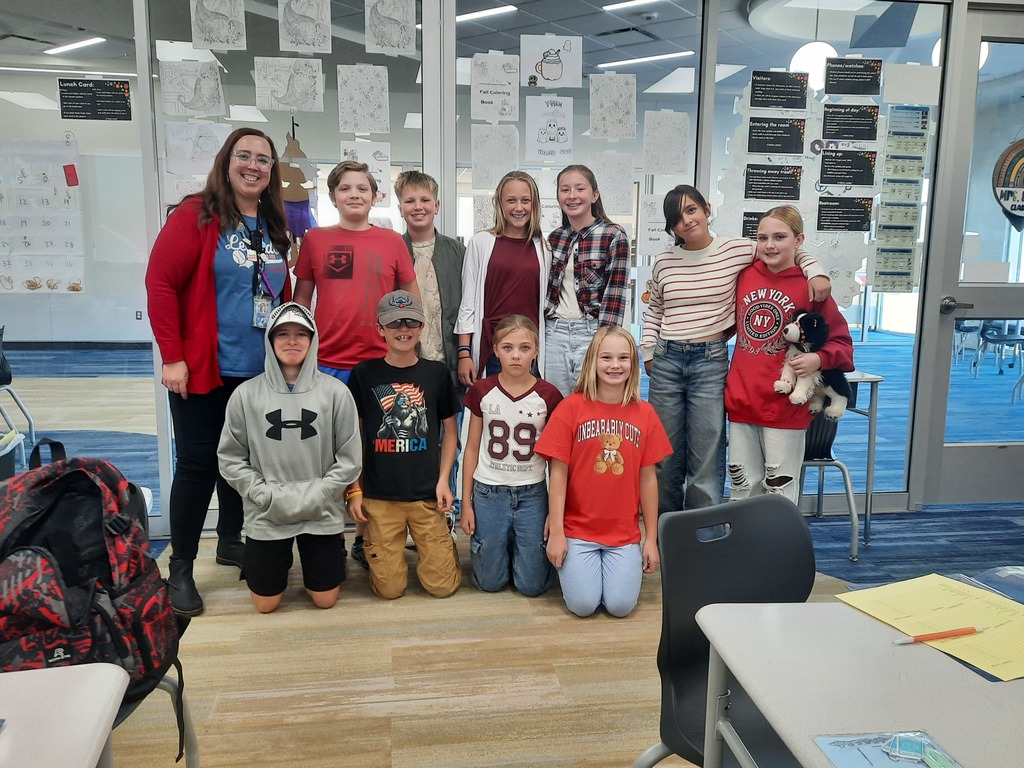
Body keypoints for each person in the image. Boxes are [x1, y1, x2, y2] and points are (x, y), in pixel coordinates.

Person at [146, 127, 292, 617]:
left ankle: (231, 541)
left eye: (263, 160)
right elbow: (161, 283)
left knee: (243, 462)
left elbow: (279, 297)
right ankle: (180, 568)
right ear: (227, 161)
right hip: (205, 367)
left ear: (272, 172)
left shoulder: (272, 224)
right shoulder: (197, 214)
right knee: (197, 466)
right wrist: (172, 355)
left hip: (258, 372)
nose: (254, 166)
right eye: (244, 156)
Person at [640, 184, 831, 515]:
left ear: (707, 209)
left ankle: (702, 531)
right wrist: (647, 353)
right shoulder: (664, 262)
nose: (686, 221)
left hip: (709, 359)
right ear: (671, 226)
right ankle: (664, 531)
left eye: (691, 210)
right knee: (663, 453)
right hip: (666, 359)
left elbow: (789, 246)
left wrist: (815, 271)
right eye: (677, 217)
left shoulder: (738, 251)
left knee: (707, 453)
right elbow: (654, 309)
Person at [293, 159, 418, 569]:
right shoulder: (315, 239)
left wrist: (408, 356)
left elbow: (411, 305)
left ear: (375, 195)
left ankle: (365, 539)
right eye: (345, 188)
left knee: (371, 453)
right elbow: (299, 305)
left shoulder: (393, 243)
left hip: (379, 366)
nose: (354, 195)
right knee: (326, 454)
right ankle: (323, 536)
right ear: (333, 197)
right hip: (327, 362)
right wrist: (295, 360)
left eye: (362, 188)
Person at [218, 302, 362, 612]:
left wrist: (323, 492)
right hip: (267, 512)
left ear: (313, 341)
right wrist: (262, 493)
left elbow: (350, 457)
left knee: (325, 601)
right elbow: (230, 458)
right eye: (282, 333)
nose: (292, 341)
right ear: (270, 340)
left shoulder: (336, 393)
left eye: (301, 334)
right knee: (265, 604)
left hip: (320, 511)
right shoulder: (246, 394)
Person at [535, 327, 671, 618]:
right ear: (592, 362)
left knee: (620, 607)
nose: (615, 365)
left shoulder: (645, 413)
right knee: (583, 606)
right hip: (577, 531)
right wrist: (557, 532)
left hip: (623, 535)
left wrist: (650, 539)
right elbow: (557, 475)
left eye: (623, 358)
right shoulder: (571, 408)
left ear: (633, 364)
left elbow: (648, 479)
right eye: (606, 357)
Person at [725, 206, 854, 504]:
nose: (770, 245)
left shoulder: (812, 287)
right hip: (743, 400)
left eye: (779, 237)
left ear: (798, 240)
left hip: (785, 407)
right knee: (742, 489)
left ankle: (777, 551)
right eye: (763, 237)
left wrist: (818, 360)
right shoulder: (743, 276)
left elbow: (842, 344)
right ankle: (740, 550)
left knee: (779, 491)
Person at [346, 290, 462, 599]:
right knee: (390, 590)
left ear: (422, 327)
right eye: (395, 323)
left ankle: (437, 547)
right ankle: (375, 548)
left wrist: (444, 482)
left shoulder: (436, 373)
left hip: (426, 494)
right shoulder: (363, 374)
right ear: (380, 329)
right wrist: (355, 490)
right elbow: (353, 437)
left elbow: (450, 431)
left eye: (411, 322)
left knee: (442, 587)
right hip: (380, 496)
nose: (403, 329)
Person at [460, 315, 562, 595]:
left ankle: (521, 550)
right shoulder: (483, 390)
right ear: (495, 350)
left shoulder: (549, 395)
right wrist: (466, 503)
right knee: (489, 583)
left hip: (532, 493)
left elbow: (556, 460)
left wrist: (554, 514)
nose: (516, 356)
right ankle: (501, 548)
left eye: (524, 348)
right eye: (507, 348)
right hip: (488, 492)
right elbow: (471, 448)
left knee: (532, 586)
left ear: (537, 351)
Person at [395, 170, 466, 510]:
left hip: (449, 367)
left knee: (449, 444)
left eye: (425, 200)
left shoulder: (457, 251)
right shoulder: (393, 249)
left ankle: (445, 517)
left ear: (437, 204)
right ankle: (413, 515)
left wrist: (465, 354)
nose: (418, 206)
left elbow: (467, 308)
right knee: (411, 443)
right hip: (409, 366)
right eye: (410, 201)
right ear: (400, 207)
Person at [456, 171, 548, 388]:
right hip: (492, 350)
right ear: (499, 204)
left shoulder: (545, 249)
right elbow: (467, 303)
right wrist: (464, 353)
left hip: (528, 351)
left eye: (525, 201)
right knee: (490, 414)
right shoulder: (481, 243)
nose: (519, 208)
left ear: (534, 205)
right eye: (511, 201)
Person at [544, 165, 630, 396]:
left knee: (590, 402)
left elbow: (615, 293)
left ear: (594, 195)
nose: (572, 196)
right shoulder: (554, 238)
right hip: (554, 332)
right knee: (554, 404)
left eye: (579, 189)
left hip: (591, 331)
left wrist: (606, 342)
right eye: (565, 190)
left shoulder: (614, 234)